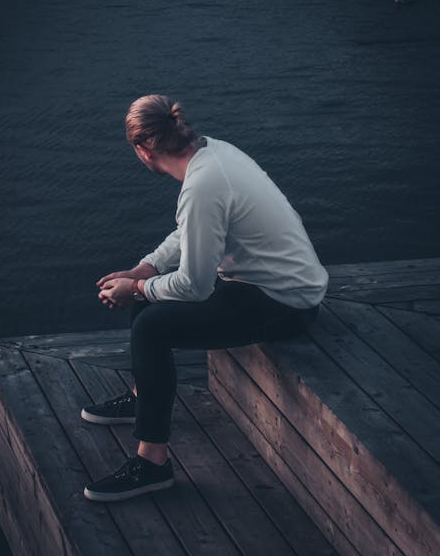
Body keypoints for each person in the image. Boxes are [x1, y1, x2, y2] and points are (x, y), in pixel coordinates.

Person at [81, 94, 329, 502]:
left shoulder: (203, 184)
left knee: (151, 325)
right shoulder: (213, 153)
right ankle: (143, 399)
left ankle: (152, 464)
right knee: (149, 297)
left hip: (285, 303)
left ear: (143, 150)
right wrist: (145, 270)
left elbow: (195, 287)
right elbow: (188, 231)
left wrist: (137, 289)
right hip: (265, 285)